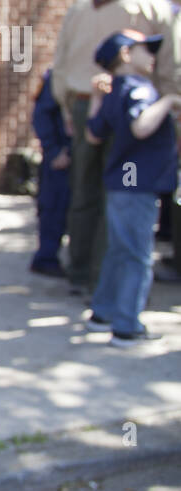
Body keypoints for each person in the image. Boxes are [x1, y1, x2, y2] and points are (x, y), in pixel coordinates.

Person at [50, 0, 179, 296]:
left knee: (84, 192)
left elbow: (59, 64)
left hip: (80, 103)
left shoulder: (81, 4)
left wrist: (67, 108)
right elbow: (171, 69)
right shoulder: (157, 6)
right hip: (132, 114)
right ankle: (106, 285)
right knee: (119, 192)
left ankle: (78, 274)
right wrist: (173, 104)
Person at [85, 30, 180, 346]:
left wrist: (97, 98)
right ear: (126, 54)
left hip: (122, 182)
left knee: (119, 250)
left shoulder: (114, 92)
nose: (152, 55)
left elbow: (93, 134)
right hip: (137, 184)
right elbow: (141, 126)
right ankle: (127, 326)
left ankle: (103, 313)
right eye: (146, 49)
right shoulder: (141, 89)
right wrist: (168, 100)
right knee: (138, 256)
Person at [30, 68, 71, 277]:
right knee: (53, 205)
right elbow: (41, 114)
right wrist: (53, 150)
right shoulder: (59, 76)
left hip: (76, 153)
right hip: (59, 156)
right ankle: (46, 257)